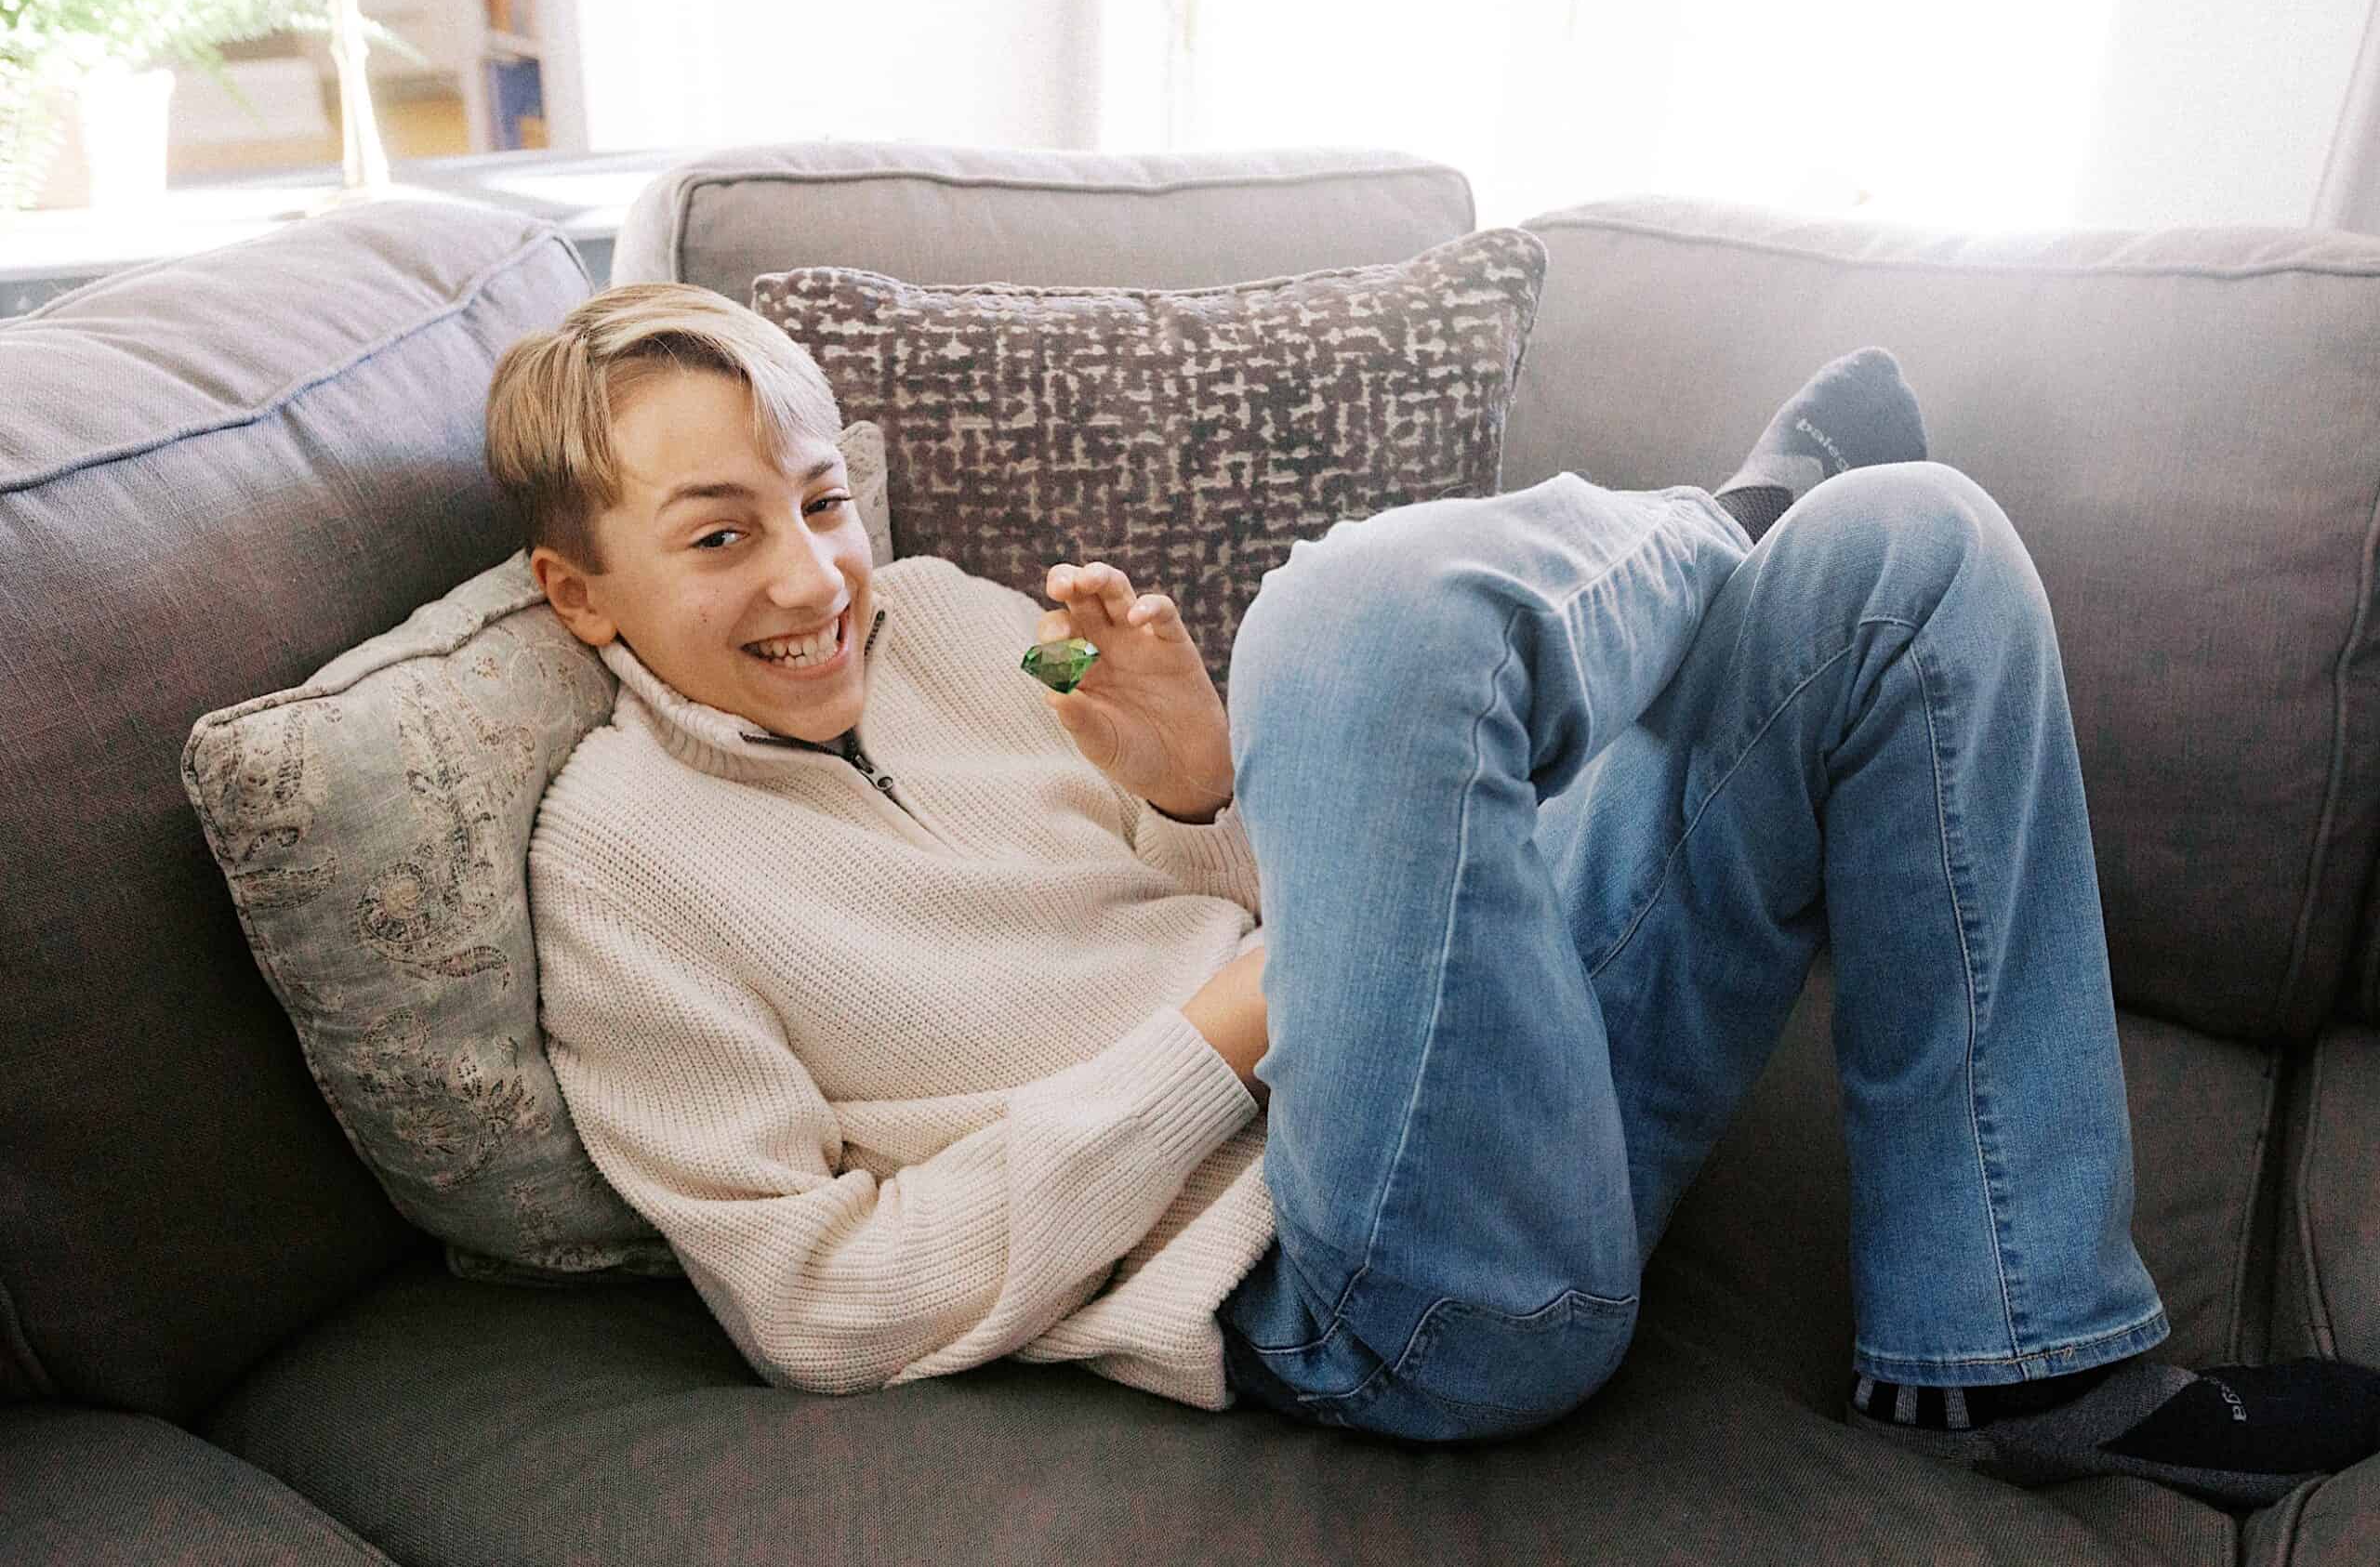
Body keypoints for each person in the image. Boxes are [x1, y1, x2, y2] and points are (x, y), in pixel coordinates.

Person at [490, 282, 2379, 1506]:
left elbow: (1308, 896)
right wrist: (1217, 1036)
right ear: (579, 592)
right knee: (1348, 615)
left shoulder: (967, 626)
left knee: (1913, 541)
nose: (816, 580)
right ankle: (1719, 526)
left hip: (1473, 1078)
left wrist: (1195, 787)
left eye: (822, 502)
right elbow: (817, 1299)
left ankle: (2025, 1352)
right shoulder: (614, 870)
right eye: (720, 535)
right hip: (1362, 1286)